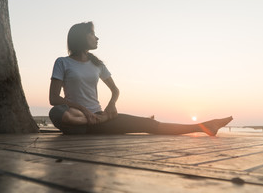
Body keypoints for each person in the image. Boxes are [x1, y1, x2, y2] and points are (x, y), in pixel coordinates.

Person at [49, 22, 233, 135]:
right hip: (77, 116)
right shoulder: (63, 62)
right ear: (81, 37)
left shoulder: (97, 64)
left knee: (149, 124)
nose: (97, 38)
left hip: (98, 117)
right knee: (56, 113)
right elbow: (54, 99)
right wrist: (84, 110)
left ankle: (203, 127)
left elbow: (115, 90)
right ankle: (97, 123)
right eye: (92, 33)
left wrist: (111, 104)